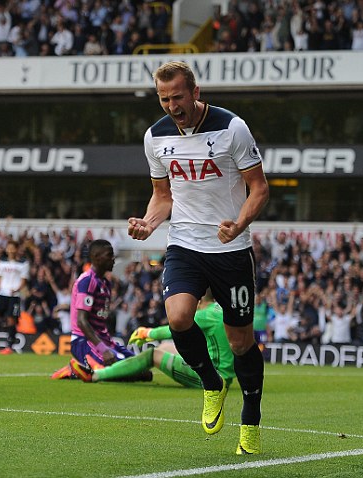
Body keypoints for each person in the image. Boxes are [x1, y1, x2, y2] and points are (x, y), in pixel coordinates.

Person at [127, 61, 270, 455]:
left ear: (195, 91)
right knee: (177, 317)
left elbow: (259, 188)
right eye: (163, 98)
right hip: (185, 243)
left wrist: (239, 224)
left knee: (240, 342)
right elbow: (163, 195)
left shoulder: (231, 128)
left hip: (230, 249)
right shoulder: (155, 137)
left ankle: (251, 422)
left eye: (177, 96)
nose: (172, 105)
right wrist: (149, 223)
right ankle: (210, 382)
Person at [71, 289, 235, 388]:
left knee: (152, 354)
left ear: (197, 298)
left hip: (213, 378)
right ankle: (133, 371)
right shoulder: (217, 310)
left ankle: (96, 375)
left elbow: (173, 329)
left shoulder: (205, 315)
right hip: (221, 372)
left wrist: (146, 333)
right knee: (164, 347)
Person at [50, 239, 149, 381]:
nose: (113, 259)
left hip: (105, 341)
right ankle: (73, 370)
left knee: (142, 369)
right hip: (83, 341)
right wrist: (103, 349)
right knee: (122, 373)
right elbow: (81, 321)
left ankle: (86, 369)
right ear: (96, 257)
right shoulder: (87, 281)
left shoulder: (105, 283)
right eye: (109, 255)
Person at [0, 239, 29, 355]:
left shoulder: (23, 263)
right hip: (1, 294)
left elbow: (24, 280)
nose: (10, 249)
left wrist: (17, 289)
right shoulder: (2, 262)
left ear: (17, 249)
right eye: (9, 247)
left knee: (11, 320)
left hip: (14, 295)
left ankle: (9, 346)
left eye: (13, 247)